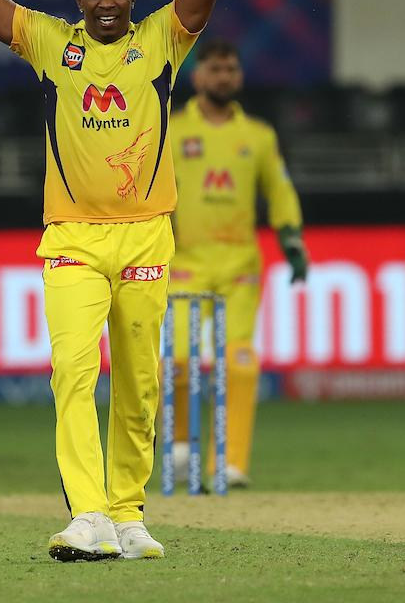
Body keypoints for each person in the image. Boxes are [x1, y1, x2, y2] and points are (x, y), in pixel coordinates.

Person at [0, 0, 226, 562]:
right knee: (72, 373)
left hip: (144, 240)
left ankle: (129, 516)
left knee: (139, 383)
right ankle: (89, 515)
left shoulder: (163, 38)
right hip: (71, 238)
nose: (106, 0)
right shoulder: (50, 41)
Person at [168, 38, 307, 488]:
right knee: (179, 362)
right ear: (199, 76)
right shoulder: (171, 131)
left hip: (240, 266)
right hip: (184, 263)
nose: (224, 77)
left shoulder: (258, 136)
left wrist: (291, 236)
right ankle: (182, 449)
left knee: (240, 363)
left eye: (231, 69)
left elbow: (280, 190)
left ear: (239, 76)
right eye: (216, 69)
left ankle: (229, 463)